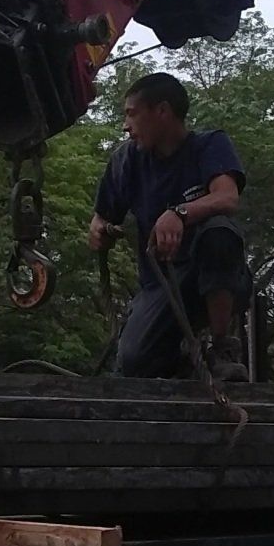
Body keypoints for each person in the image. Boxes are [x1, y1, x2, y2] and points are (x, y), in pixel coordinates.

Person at [88, 72, 253, 382]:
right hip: (160, 285)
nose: (126, 126)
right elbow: (100, 217)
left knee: (220, 230)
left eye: (132, 114)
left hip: (215, 277)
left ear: (162, 112)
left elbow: (227, 197)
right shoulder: (127, 161)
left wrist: (179, 212)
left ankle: (221, 348)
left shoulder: (209, 145)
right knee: (134, 362)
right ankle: (185, 360)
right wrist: (99, 230)